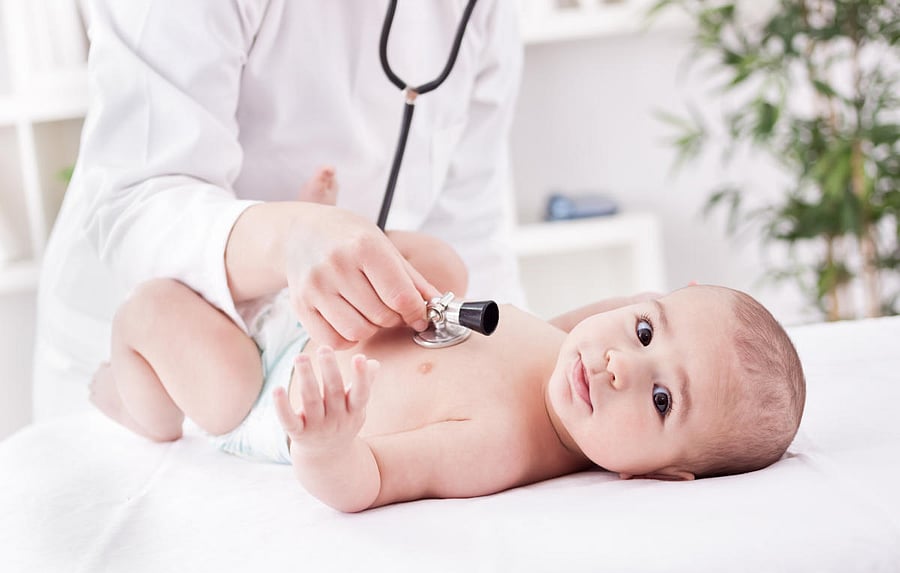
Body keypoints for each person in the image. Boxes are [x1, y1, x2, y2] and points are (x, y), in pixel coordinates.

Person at [91, 176, 807, 512]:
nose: (621, 363)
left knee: (152, 307)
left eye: (660, 399)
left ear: (660, 474)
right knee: (445, 266)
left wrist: (327, 444)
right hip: (319, 320)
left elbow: (369, 481)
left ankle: (134, 401)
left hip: (268, 387)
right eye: (646, 329)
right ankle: (320, 239)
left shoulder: (498, 445)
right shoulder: (567, 348)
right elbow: (602, 323)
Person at [33, 1, 525, 421]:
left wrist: (515, 376)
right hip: (156, 354)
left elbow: (471, 220)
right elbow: (138, 197)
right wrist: (290, 237)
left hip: (330, 357)